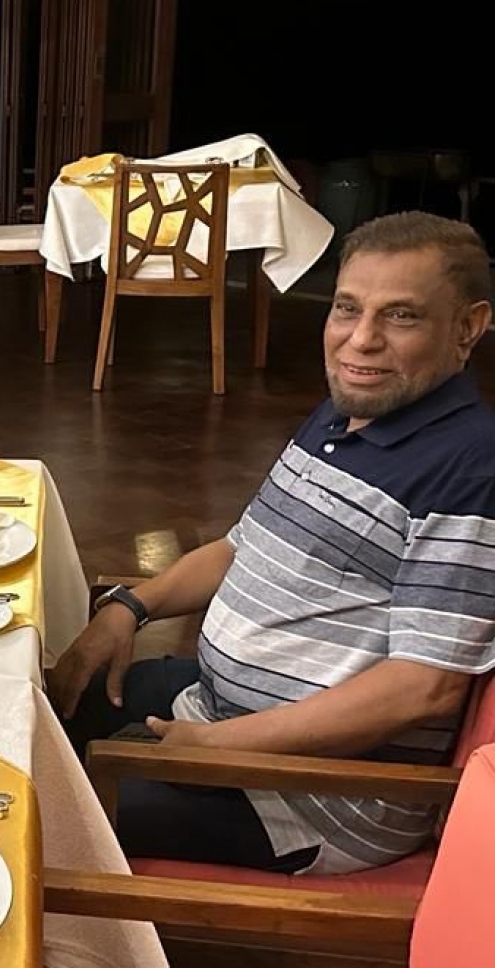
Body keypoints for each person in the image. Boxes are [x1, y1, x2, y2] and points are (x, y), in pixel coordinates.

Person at [51, 211, 495, 875]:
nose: (361, 340)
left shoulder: (471, 470)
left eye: (401, 316)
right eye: (347, 308)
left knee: (38, 813)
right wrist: (126, 608)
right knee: (33, 706)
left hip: (311, 793)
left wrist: (219, 747)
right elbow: (240, 549)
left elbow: (421, 689)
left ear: (468, 328)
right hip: (217, 707)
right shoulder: (348, 412)